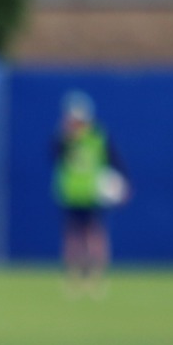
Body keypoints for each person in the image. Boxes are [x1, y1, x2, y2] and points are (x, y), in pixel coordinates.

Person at [54, 90, 127, 297]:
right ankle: (72, 276)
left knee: (94, 236)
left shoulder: (98, 136)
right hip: (71, 195)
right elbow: (55, 155)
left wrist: (123, 184)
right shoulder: (64, 138)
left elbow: (114, 159)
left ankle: (97, 276)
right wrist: (67, 138)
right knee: (72, 237)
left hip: (93, 194)